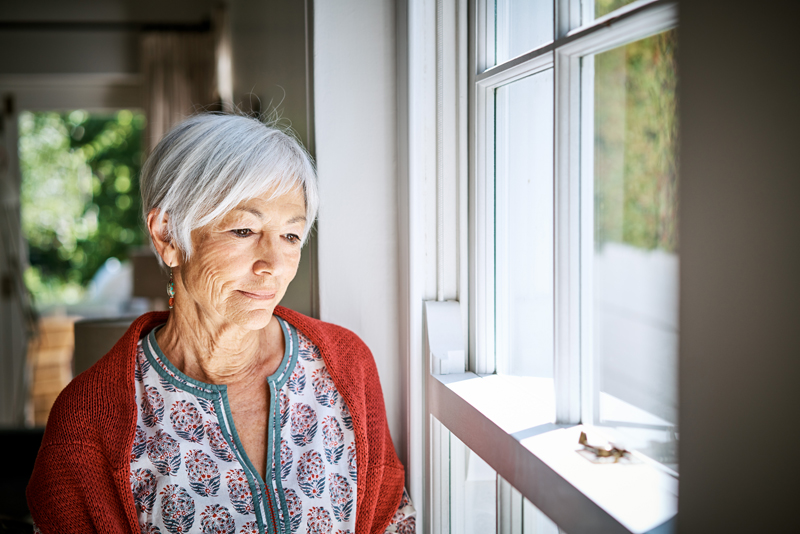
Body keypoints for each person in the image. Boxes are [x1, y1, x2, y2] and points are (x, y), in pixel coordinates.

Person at [27, 113, 415, 534]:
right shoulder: (86, 423)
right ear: (169, 236)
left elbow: (390, 521)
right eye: (245, 230)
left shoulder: (345, 366)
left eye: (290, 235)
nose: (274, 266)